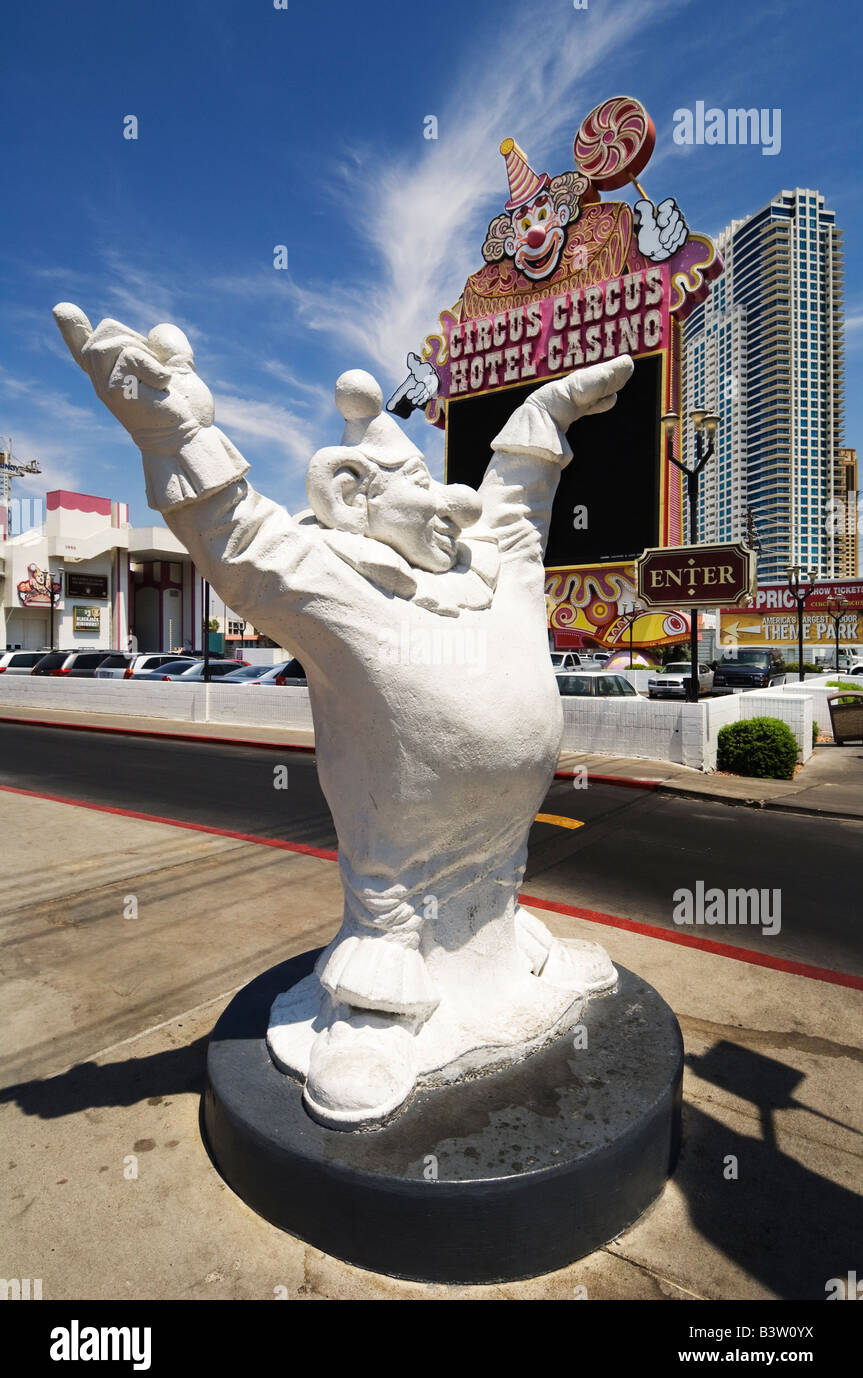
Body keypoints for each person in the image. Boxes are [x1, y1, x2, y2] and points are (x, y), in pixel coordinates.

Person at [53, 301, 631, 1129]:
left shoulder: (491, 572)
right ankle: (376, 1017)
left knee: (496, 889)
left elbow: (516, 500)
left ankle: (499, 954)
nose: (454, 507)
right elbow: (239, 538)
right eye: (422, 490)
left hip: (496, 860)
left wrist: (546, 411)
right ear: (353, 497)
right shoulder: (338, 582)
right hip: (399, 886)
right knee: (394, 924)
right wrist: (170, 434)